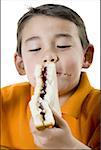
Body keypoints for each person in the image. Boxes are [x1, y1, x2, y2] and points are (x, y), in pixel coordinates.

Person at [1, 4, 100, 150]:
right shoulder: (5, 101)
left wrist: (70, 147)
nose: (49, 56)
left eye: (63, 45)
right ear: (21, 64)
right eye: (35, 48)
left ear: (86, 56)